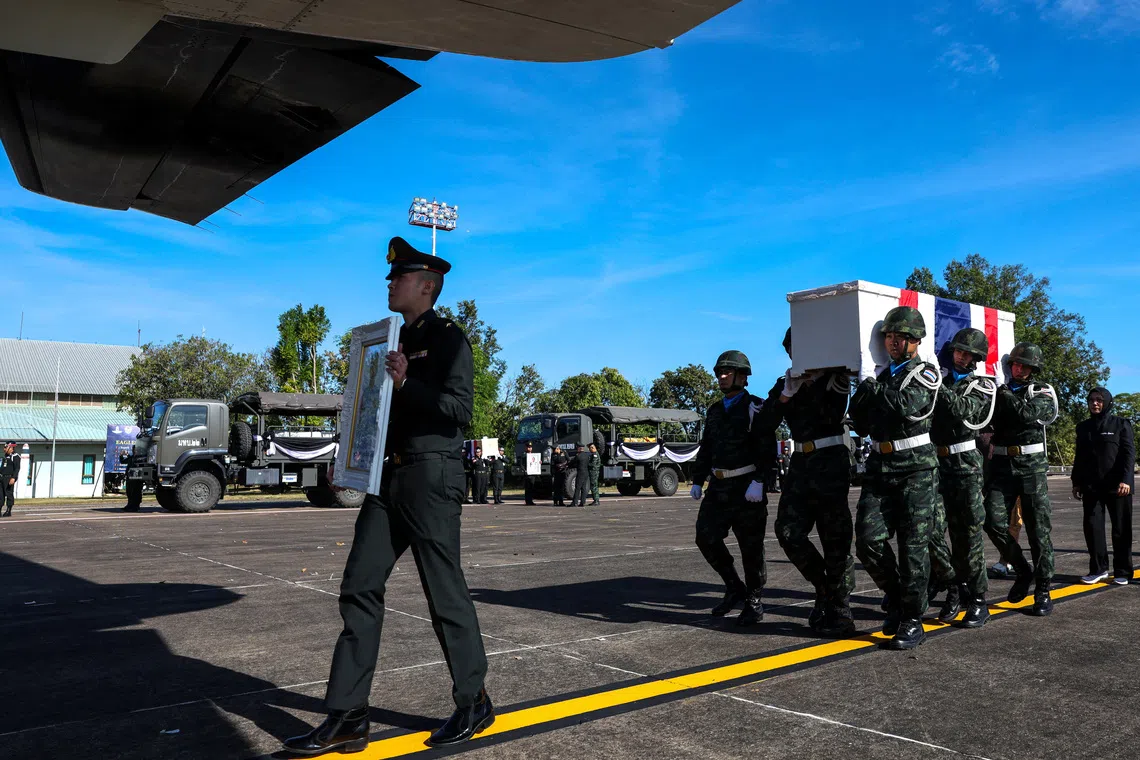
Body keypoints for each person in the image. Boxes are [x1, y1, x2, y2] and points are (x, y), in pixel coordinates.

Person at [284, 237, 492, 756]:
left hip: (429, 476)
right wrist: (351, 456)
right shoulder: (387, 340)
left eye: (398, 277)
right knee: (358, 585)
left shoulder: (447, 339)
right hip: (386, 477)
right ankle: (349, 715)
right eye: (391, 276)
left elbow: (459, 411)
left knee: (443, 592)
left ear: (426, 284)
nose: (389, 283)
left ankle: (473, 701)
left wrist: (406, 383)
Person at [848, 306, 941, 650]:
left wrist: (872, 384)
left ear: (915, 340)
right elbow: (857, 422)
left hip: (916, 468)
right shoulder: (880, 376)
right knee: (868, 541)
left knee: (913, 548)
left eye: (899, 336)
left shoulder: (925, 373)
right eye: (888, 336)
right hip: (880, 466)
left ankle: (913, 618)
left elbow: (905, 405)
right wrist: (861, 387)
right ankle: (899, 598)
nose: (892, 342)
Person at [761, 328, 856, 637]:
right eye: (791, 350)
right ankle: (825, 590)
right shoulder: (784, 384)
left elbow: (831, 414)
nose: (794, 355)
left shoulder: (834, 377)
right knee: (787, 531)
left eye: (800, 349)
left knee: (835, 537)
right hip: (800, 463)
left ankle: (840, 606)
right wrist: (786, 394)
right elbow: (763, 424)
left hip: (830, 459)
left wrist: (807, 386)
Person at [690, 350, 777, 626]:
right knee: (705, 537)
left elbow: (767, 448)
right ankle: (733, 586)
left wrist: (760, 481)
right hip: (718, 486)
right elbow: (706, 448)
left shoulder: (755, 407)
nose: (722, 377)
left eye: (727, 372)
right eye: (719, 373)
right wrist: (696, 479)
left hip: (746, 486)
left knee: (751, 547)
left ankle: (753, 599)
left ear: (742, 376)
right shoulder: (715, 410)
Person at [982, 342, 1059, 617]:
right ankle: (1022, 568)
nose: (1017, 368)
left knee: (1038, 531)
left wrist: (1002, 390)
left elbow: (1026, 415)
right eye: (1014, 363)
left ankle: (1043, 588)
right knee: (991, 521)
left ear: (1032, 368)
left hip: (1030, 468)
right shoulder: (997, 390)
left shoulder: (1041, 392)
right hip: (1001, 465)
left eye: (1023, 365)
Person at [928, 328, 996, 628]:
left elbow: (962, 411)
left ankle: (978, 600)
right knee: (929, 529)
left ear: (976, 358)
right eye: (957, 350)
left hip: (965, 464)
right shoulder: (937, 380)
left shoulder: (982, 386)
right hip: (934, 462)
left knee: (967, 536)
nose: (960, 355)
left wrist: (934, 383)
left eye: (966, 353)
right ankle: (952, 585)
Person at [1072, 387, 1135, 585]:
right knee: (1093, 528)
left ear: (1107, 402)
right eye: (1091, 400)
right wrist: (1076, 482)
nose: (1095, 403)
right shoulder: (1083, 427)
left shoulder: (1121, 424)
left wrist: (1126, 480)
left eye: (1099, 400)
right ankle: (1098, 569)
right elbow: (1079, 457)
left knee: (1121, 529)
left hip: (1117, 486)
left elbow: (1128, 454)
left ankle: (1123, 571)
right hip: (1091, 487)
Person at [1, 442, 20, 517]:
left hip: (9, 478)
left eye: (6, 447)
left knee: (9, 494)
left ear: (11, 448)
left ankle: (8, 510)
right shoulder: (6, 456)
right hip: (2, 477)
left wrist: (13, 478)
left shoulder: (15, 456)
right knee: (1, 495)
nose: (4, 449)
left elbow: (17, 468)